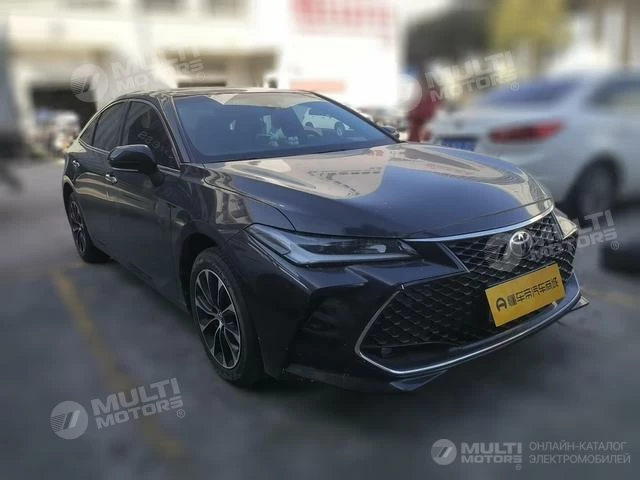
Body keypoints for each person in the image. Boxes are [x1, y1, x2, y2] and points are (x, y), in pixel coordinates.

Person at [407, 74, 441, 142]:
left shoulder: (432, 99)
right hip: (414, 137)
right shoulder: (420, 100)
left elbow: (428, 115)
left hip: (425, 137)